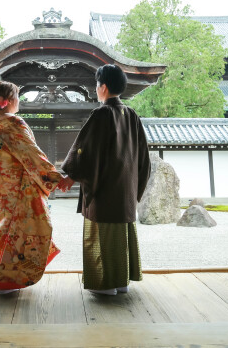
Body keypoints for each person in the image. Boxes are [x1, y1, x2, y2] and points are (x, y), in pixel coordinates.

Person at [0, 80, 67, 294]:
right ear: (6, 100)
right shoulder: (14, 124)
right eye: (17, 97)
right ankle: (6, 281)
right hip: (15, 190)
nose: (19, 101)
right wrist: (56, 178)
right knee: (14, 234)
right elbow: (32, 155)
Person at [58, 64, 151, 295]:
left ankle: (105, 284)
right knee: (120, 236)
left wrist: (70, 176)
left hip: (105, 190)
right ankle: (121, 282)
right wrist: (135, 189)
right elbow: (143, 158)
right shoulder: (131, 115)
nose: (96, 89)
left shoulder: (102, 114)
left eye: (97, 84)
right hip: (125, 190)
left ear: (104, 87)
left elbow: (87, 151)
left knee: (101, 236)